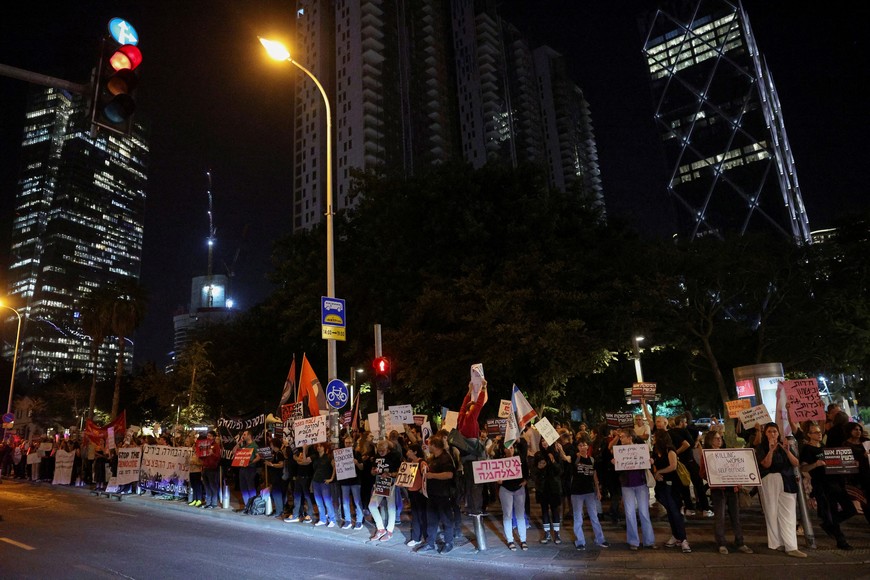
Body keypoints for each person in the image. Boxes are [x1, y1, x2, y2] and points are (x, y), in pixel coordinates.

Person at [799, 423, 854, 549]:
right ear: (809, 435)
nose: (819, 434)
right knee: (832, 511)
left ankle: (829, 525)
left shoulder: (824, 447)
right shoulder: (808, 449)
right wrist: (816, 465)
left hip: (835, 483)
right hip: (822, 485)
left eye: (820, 432)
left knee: (850, 509)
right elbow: (803, 467)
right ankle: (841, 541)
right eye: (815, 432)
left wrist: (849, 464)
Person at [755, 422, 805, 557]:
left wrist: (787, 450)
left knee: (788, 513)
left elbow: (795, 462)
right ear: (765, 433)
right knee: (771, 511)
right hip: (770, 478)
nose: (773, 434)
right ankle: (776, 543)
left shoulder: (785, 445)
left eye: (775, 431)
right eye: (770, 431)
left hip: (787, 479)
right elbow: (766, 464)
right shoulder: (761, 447)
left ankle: (791, 546)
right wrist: (771, 450)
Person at [699, 430, 752, 554]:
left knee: (736, 517)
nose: (719, 440)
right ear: (710, 440)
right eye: (716, 438)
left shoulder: (727, 453)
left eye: (720, 438)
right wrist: (713, 477)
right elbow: (702, 472)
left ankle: (740, 542)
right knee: (720, 517)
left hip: (731, 488)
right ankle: (721, 543)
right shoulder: (707, 454)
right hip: (718, 490)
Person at [615, 429, 656, 550]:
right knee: (629, 513)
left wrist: (651, 462)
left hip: (641, 484)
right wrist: (615, 463)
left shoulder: (641, 449)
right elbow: (616, 469)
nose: (621, 439)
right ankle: (633, 541)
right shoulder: (619, 451)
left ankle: (649, 540)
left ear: (630, 438)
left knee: (644, 512)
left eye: (622, 437)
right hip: (626, 485)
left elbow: (649, 463)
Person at [651, 430, 691, 553]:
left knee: (675, 511)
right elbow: (654, 466)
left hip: (672, 486)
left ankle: (683, 539)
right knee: (670, 511)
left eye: (655, 437)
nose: (653, 438)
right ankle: (675, 535)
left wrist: (659, 472)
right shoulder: (655, 451)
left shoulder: (670, 450)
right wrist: (655, 473)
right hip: (661, 486)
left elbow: (673, 466)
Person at [417, 436, 456, 554]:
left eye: (430, 445)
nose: (428, 447)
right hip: (432, 494)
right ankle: (430, 543)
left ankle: (449, 543)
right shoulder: (433, 458)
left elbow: (449, 474)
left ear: (434, 446)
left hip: (443, 495)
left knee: (446, 520)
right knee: (432, 521)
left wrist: (433, 476)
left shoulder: (445, 458)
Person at [570, 439, 608, 550]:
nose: (582, 447)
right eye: (580, 445)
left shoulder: (591, 460)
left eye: (584, 444)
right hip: (576, 492)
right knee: (578, 517)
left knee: (594, 516)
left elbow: (594, 476)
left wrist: (598, 490)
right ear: (578, 447)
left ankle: (600, 539)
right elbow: (565, 458)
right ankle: (580, 541)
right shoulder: (575, 458)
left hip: (589, 491)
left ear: (588, 447)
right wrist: (561, 450)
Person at [457, 379, 488, 515]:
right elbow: (480, 404)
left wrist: (469, 392)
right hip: (473, 458)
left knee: (470, 484)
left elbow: (462, 408)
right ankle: (476, 510)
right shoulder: (469, 419)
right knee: (477, 485)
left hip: (465, 458)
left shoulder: (461, 419)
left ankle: (471, 508)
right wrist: (484, 388)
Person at [670, 415, 711, 516]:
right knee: (698, 484)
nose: (686, 424)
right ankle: (705, 508)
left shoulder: (669, 433)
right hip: (689, 460)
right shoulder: (684, 431)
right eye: (685, 422)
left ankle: (689, 508)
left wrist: (675, 453)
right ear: (681, 422)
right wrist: (697, 440)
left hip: (679, 462)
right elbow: (691, 444)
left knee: (684, 485)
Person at [496, 442, 529, 551]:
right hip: (506, 489)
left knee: (520, 514)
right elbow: (495, 474)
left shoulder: (520, 459)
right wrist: (498, 480)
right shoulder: (500, 461)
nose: (510, 449)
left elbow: (526, 473)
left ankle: (523, 540)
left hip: (519, 489)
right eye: (507, 448)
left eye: (511, 447)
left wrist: (525, 481)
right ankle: (510, 540)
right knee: (507, 514)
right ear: (504, 450)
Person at [369, 439, 402, 542]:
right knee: (372, 505)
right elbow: (372, 471)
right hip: (379, 483)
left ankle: (390, 531)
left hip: (390, 482)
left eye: (382, 450)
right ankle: (381, 529)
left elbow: (400, 471)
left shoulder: (395, 456)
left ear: (388, 449)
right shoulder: (376, 456)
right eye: (379, 450)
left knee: (390, 506)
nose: (380, 452)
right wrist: (374, 472)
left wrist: (390, 474)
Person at [534, 438, 564, 544]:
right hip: (542, 488)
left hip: (554, 487)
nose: (544, 443)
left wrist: (553, 461)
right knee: (544, 511)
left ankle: (556, 533)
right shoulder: (538, 455)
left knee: (555, 510)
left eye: (546, 441)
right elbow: (534, 472)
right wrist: (539, 467)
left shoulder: (555, 454)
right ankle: (546, 533)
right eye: (542, 441)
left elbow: (560, 471)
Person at [843, 422, 870, 525]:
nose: (858, 432)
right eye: (855, 430)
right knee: (864, 500)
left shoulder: (866, 442)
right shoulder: (846, 445)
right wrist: (861, 457)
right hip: (857, 477)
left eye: (859, 429)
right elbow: (846, 461)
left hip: (867, 473)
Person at [339, 435, 366, 530]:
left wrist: (357, 463)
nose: (348, 444)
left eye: (350, 442)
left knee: (357, 501)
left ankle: (359, 521)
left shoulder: (357, 454)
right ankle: (348, 520)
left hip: (355, 481)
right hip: (344, 481)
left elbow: (362, 467)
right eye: (346, 442)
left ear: (353, 444)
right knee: (345, 502)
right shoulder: (340, 454)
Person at [404, 443, 428, 547]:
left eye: (410, 450)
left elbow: (426, 476)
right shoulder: (409, 463)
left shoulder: (422, 463)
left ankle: (426, 537)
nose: (407, 452)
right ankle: (416, 537)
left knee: (422, 515)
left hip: (419, 492)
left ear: (415, 452)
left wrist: (423, 489)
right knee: (415, 515)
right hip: (412, 491)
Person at [284, 444, 314, 523]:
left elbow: (304, 462)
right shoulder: (299, 451)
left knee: (307, 497)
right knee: (296, 496)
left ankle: (309, 514)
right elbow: (296, 459)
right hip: (299, 477)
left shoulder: (312, 452)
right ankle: (295, 514)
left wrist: (304, 451)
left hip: (307, 477)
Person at [311, 442, 337, 527]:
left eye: (320, 446)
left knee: (327, 502)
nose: (319, 447)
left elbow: (335, 467)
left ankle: (332, 519)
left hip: (325, 482)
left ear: (324, 447)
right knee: (319, 502)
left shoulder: (329, 457)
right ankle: (322, 519)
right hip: (316, 481)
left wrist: (332, 478)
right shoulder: (315, 457)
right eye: (317, 446)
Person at [234, 429, 261, 508]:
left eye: (244, 435)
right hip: (242, 469)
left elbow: (258, 457)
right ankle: (247, 505)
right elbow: (233, 451)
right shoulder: (243, 446)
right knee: (243, 487)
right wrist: (239, 443)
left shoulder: (254, 445)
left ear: (249, 436)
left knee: (250, 487)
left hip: (250, 469)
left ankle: (253, 505)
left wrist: (250, 462)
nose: (243, 436)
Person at [199, 430, 222, 509]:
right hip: (205, 468)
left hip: (213, 469)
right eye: (208, 436)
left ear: (214, 437)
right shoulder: (205, 445)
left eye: (210, 436)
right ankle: (208, 502)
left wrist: (213, 453)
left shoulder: (216, 446)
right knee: (207, 487)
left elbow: (218, 457)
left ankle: (214, 503)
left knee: (213, 486)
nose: (208, 437)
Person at [265, 437, 287, 518]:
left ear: (274, 445)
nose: (270, 446)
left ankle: (279, 511)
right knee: (277, 494)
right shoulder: (276, 453)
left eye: (271, 445)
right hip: (276, 477)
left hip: (278, 477)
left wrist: (272, 465)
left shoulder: (279, 453)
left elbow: (281, 464)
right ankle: (279, 510)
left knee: (277, 494)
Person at [187, 434, 204, 507]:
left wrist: (196, 463)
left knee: (198, 486)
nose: (193, 448)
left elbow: (202, 463)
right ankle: (194, 499)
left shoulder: (199, 454)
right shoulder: (191, 454)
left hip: (197, 472)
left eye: (195, 446)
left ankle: (199, 499)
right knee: (193, 486)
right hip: (191, 472)